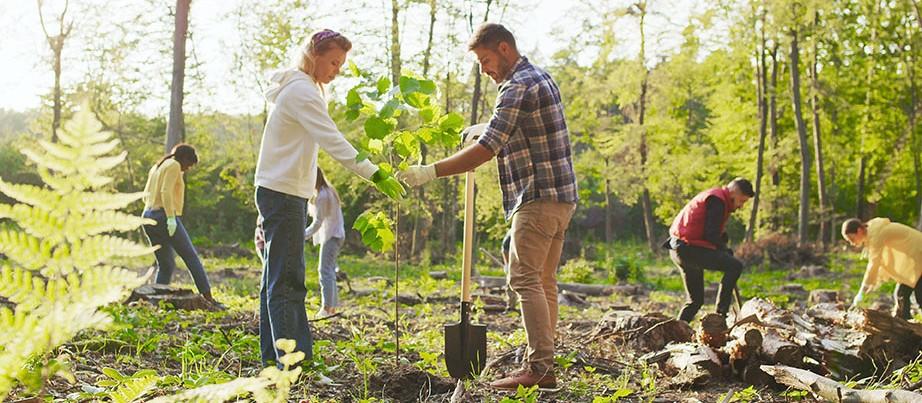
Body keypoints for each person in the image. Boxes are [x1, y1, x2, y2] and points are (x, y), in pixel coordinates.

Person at [399, 23, 578, 390]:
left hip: (536, 198)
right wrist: (486, 125)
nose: (484, 68)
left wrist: (429, 172)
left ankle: (540, 368)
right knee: (544, 282)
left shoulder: (516, 86)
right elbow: (520, 126)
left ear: (504, 48)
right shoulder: (540, 77)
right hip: (561, 199)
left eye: (485, 59)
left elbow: (485, 151)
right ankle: (544, 362)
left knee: (525, 279)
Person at [254, 29, 404, 368]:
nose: (337, 69)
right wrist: (375, 173)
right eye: (333, 61)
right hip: (284, 193)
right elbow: (333, 141)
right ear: (314, 54)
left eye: (341, 63)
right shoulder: (303, 93)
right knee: (288, 279)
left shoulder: (301, 88)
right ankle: (292, 364)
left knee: (275, 278)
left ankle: (274, 361)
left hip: (280, 190)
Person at [141, 143, 224, 309]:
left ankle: (156, 301)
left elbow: (146, 195)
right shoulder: (174, 165)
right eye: (190, 164)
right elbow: (166, 192)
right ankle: (208, 299)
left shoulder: (158, 166)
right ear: (185, 158)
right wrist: (170, 218)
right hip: (164, 216)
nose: (187, 168)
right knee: (191, 257)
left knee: (166, 265)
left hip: (148, 216)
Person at [664, 178, 754, 323]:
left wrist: (723, 245)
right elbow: (711, 234)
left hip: (679, 249)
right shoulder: (717, 200)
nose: (741, 206)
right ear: (734, 192)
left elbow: (712, 230)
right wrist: (723, 249)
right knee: (734, 266)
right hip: (688, 249)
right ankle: (720, 316)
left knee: (695, 301)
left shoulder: (716, 198)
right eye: (741, 201)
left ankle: (676, 331)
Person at [842, 218, 922, 319]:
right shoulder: (872, 233)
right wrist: (869, 286)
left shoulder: (876, 234)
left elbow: (874, 263)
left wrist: (863, 289)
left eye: (852, 239)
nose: (852, 243)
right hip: (915, 261)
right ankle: (905, 326)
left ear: (859, 231)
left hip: (919, 255)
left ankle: (905, 326)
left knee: (918, 296)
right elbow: (880, 261)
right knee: (901, 295)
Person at [303, 168, 345, 319]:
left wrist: (303, 235)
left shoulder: (323, 195)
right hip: (337, 234)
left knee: (324, 271)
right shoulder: (329, 191)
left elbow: (317, 223)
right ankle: (332, 307)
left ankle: (327, 308)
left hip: (332, 236)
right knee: (329, 270)